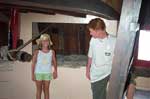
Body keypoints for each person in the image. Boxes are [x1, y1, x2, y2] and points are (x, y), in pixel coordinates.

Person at [86, 18, 116, 99]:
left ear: (98, 30)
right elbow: (90, 55)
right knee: (98, 97)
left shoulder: (114, 40)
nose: (90, 34)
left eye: (91, 31)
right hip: (97, 74)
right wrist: (87, 70)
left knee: (130, 81)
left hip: (110, 71)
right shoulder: (93, 40)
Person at [31, 33, 58, 99]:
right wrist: (32, 74)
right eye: (43, 40)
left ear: (49, 42)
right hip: (38, 73)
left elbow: (54, 62)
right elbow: (33, 63)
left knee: (46, 90)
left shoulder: (52, 52)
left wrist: (55, 71)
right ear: (41, 42)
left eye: (47, 40)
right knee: (39, 90)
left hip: (47, 73)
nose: (45, 42)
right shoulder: (37, 52)